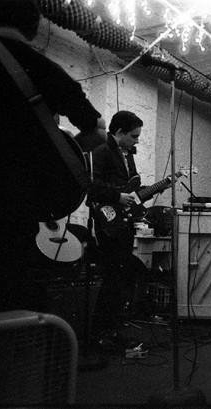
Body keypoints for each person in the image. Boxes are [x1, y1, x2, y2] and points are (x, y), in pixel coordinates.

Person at [0, 0, 105, 312]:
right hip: (20, 199)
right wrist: (60, 151)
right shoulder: (45, 69)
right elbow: (98, 131)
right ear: (34, 27)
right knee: (11, 290)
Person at [88, 111, 147, 333]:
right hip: (109, 222)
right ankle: (103, 330)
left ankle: (113, 327)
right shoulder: (101, 152)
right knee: (113, 276)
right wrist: (117, 197)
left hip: (124, 222)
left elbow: (132, 187)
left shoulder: (127, 155)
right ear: (120, 132)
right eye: (134, 136)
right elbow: (91, 186)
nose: (137, 140)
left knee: (121, 275)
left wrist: (154, 188)